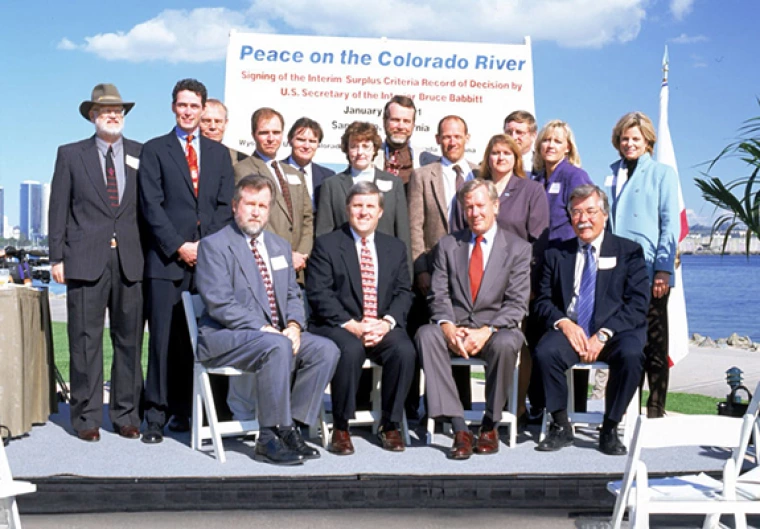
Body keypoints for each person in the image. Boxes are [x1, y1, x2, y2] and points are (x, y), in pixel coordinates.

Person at [195, 175, 339, 465]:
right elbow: (220, 302)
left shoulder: (279, 246)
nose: (256, 211)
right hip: (227, 336)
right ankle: (268, 437)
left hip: (276, 337)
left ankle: (291, 428)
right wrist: (264, 328)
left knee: (326, 350)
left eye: (263, 205)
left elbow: (292, 295)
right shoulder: (214, 245)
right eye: (250, 203)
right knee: (276, 346)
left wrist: (295, 327)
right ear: (235, 206)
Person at [138, 78, 234, 443]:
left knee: (202, 339)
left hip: (208, 262)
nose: (188, 111)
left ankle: (193, 411)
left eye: (194, 105)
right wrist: (179, 245)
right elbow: (151, 205)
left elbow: (225, 207)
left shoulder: (218, 154)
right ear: (173, 107)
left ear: (203, 107)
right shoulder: (155, 150)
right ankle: (155, 416)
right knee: (163, 339)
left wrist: (203, 247)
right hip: (166, 261)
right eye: (182, 105)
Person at [48, 83, 143, 442]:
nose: (113, 114)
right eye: (105, 110)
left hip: (131, 260)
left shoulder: (141, 154)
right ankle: (86, 417)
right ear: (92, 115)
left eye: (118, 109)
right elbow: (58, 208)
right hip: (85, 259)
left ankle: (125, 414)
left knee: (129, 340)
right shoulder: (70, 155)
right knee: (85, 340)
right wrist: (56, 256)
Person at [415, 179, 531, 460]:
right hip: (455, 325)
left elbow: (517, 304)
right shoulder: (447, 246)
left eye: (480, 205)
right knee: (425, 334)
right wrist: (446, 325)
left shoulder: (518, 248)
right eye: (469, 207)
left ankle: (490, 425)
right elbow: (438, 295)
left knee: (506, 343)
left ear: (495, 206)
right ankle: (459, 428)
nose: (475, 212)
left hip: (497, 328)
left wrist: (487, 330)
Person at [532, 185, 649, 455]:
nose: (583, 218)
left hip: (615, 331)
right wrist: (564, 323)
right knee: (545, 352)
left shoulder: (629, 251)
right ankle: (561, 425)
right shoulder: (556, 254)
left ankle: (610, 427)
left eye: (590, 211)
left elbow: (638, 303)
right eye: (576, 212)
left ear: (605, 215)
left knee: (632, 355)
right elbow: (542, 302)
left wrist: (605, 333)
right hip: (572, 329)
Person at [307, 181, 416, 455]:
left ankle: (390, 424)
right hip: (340, 324)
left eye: (370, 206)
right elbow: (319, 293)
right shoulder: (327, 244)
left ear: (380, 212)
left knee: (404, 350)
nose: (363, 212)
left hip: (380, 324)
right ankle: (341, 426)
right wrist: (352, 325)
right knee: (350, 349)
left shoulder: (394, 247)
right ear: (347, 210)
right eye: (357, 206)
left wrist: (386, 322)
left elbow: (404, 291)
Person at [606, 112, 680, 418]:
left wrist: (664, 268)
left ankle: (655, 409)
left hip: (650, 271)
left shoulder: (662, 174)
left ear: (648, 141)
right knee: (626, 342)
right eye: (625, 138)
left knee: (654, 343)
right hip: (616, 272)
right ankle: (626, 409)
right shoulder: (612, 172)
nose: (629, 143)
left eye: (635, 138)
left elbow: (669, 223)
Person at [406, 114, 480, 412]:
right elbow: (415, 226)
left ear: (467, 138)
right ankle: (431, 406)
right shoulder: (424, 175)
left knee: (463, 331)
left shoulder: (479, 173)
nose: (452, 141)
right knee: (435, 335)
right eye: (446, 136)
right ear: (438, 139)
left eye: (457, 136)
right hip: (434, 269)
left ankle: (460, 405)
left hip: (471, 270)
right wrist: (420, 268)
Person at [479, 133, 549, 422]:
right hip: (478, 281)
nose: (500, 158)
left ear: (516, 158)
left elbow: (540, 237)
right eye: (495, 152)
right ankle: (487, 406)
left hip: (517, 281)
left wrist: (530, 281)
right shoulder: (479, 188)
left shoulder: (530, 189)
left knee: (518, 343)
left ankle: (518, 406)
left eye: (507, 153)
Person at [233, 108, 313, 281]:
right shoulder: (243, 170)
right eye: (264, 132)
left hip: (298, 268)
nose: (271, 138)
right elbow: (251, 219)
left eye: (276, 132)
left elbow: (307, 218)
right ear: (254, 134)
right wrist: (285, 255)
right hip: (264, 266)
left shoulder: (295, 174)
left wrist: (301, 253)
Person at [315, 121, 411, 263]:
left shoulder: (394, 184)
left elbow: (403, 233)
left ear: (374, 149)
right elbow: (324, 233)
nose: (360, 152)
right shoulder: (331, 185)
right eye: (354, 146)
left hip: (386, 264)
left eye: (366, 146)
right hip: (343, 265)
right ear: (347, 150)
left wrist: (407, 277)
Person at [533, 120, 593, 242]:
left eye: (557, 142)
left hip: (567, 250)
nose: (550, 145)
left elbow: (588, 217)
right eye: (546, 140)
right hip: (541, 251)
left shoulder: (575, 176)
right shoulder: (537, 180)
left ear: (568, 148)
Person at [374, 95, 431, 189]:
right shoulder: (370, 157)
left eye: (406, 121)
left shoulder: (427, 161)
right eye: (395, 120)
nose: (401, 126)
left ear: (413, 125)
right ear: (384, 121)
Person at [282, 117, 335, 212]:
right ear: (290, 140)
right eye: (301, 140)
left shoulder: (328, 176)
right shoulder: (275, 170)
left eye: (312, 141)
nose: (306, 146)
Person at [199, 98, 248, 165]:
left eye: (218, 122)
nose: (213, 126)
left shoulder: (242, 161)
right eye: (207, 121)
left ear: (225, 123)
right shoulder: (185, 156)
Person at [503, 110, 538, 179]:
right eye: (509, 132)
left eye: (519, 132)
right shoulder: (490, 165)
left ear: (533, 135)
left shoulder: (544, 165)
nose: (513, 137)